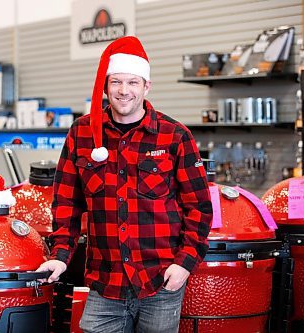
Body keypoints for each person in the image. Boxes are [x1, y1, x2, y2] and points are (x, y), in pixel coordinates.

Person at [36, 36, 213, 333]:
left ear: (146, 86)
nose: (124, 91)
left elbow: (200, 207)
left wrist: (184, 264)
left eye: (133, 82)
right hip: (106, 283)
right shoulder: (81, 133)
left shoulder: (174, 136)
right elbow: (67, 203)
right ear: (105, 87)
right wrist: (60, 256)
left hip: (160, 281)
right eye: (116, 82)